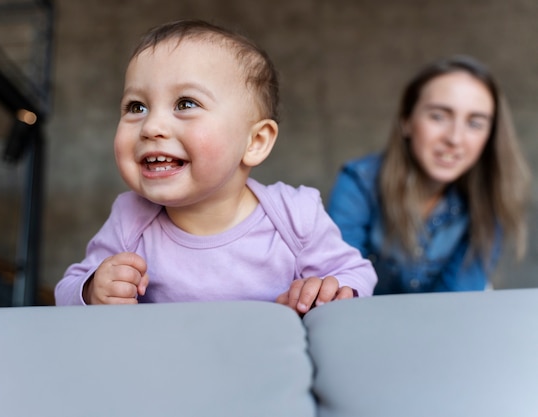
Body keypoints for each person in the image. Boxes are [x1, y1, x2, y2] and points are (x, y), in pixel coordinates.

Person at [55, 19, 377, 313]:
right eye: (136, 106)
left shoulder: (295, 217)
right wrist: (92, 290)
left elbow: (356, 275)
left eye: (186, 104)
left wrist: (329, 291)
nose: (151, 126)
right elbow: (65, 293)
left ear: (256, 142)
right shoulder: (130, 220)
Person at [327, 55, 530, 294]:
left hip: (441, 326)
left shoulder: (490, 197)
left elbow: (457, 301)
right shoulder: (359, 182)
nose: (454, 139)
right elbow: (341, 283)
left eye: (475, 123)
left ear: (490, 136)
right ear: (406, 121)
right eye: (438, 116)